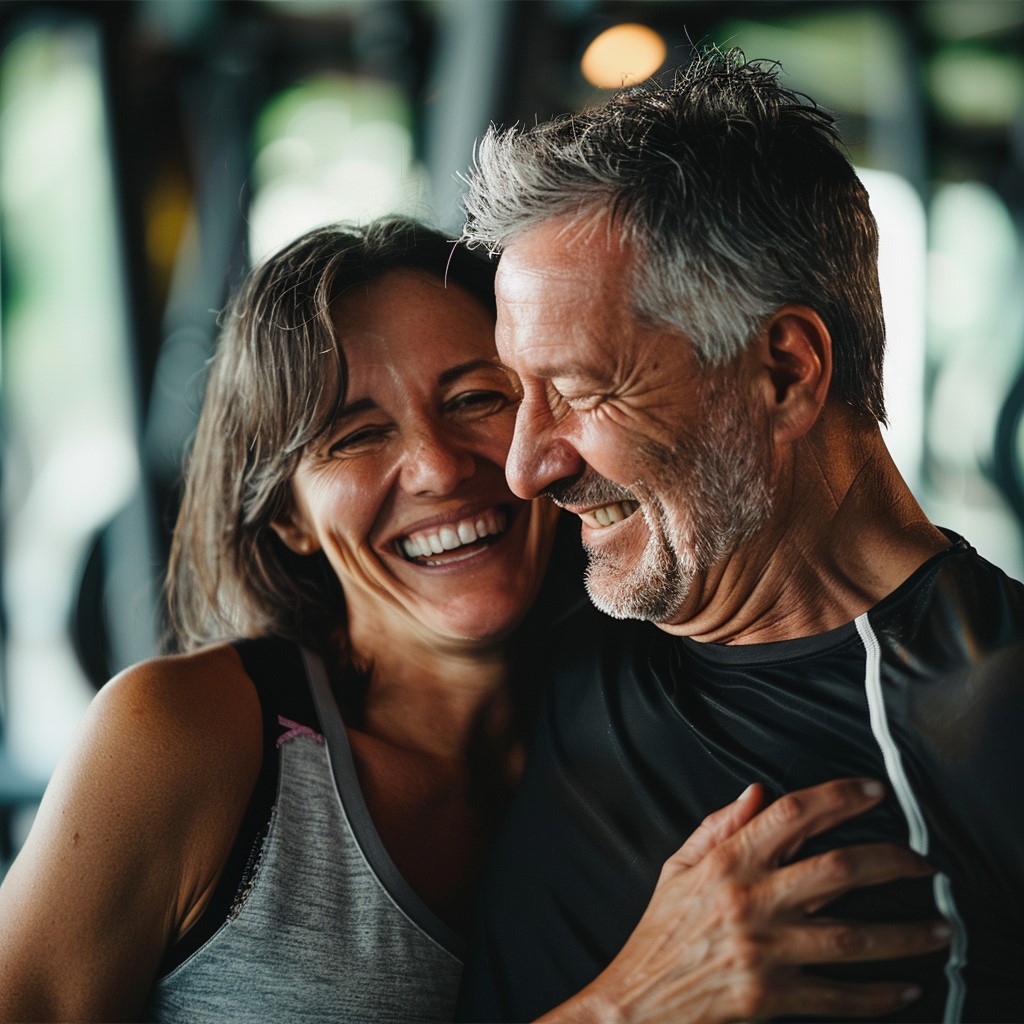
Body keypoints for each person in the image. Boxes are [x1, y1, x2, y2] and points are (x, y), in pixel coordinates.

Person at [0, 218, 947, 1023]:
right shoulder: (184, 738)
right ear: (287, 515)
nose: (441, 467)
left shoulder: (644, 708)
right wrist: (628, 1006)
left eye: (478, 399)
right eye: (355, 433)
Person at [455, 49, 1024, 1023]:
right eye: (514, 394)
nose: (525, 468)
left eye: (584, 391)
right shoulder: (534, 584)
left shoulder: (988, 730)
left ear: (785, 372)